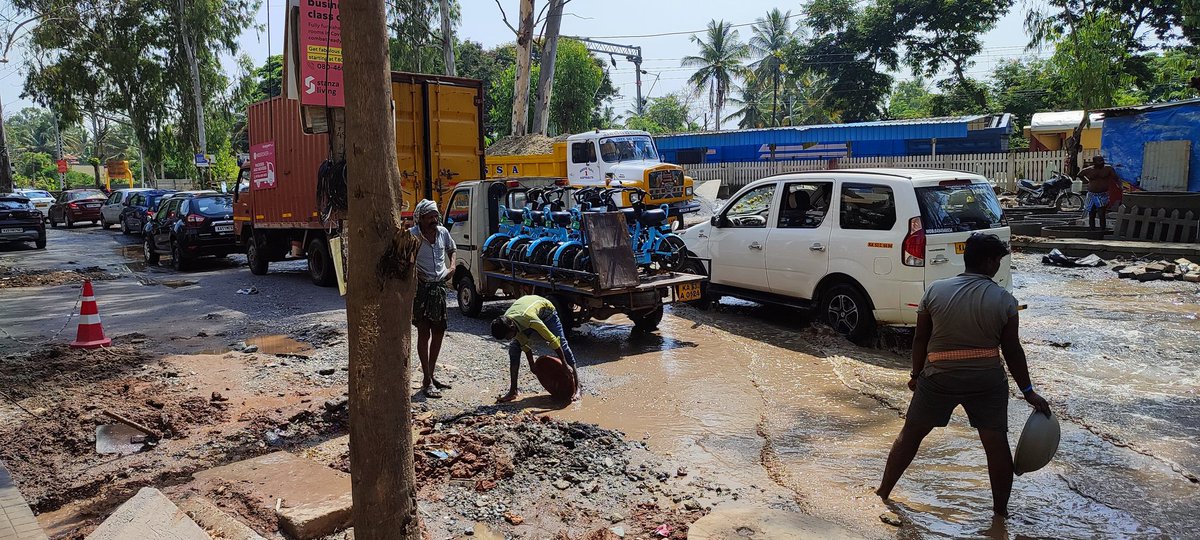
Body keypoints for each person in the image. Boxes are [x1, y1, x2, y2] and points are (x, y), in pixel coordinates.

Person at [876, 233, 1051, 518]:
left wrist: (916, 374)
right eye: (998, 260)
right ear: (990, 262)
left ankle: (883, 492)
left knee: (910, 436)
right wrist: (1028, 391)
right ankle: (1000, 514)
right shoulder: (1005, 301)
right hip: (986, 381)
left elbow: (920, 339)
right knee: (995, 445)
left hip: (938, 378)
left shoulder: (935, 291)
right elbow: (1012, 350)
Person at [490, 295, 581, 403]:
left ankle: (578, 387)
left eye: (507, 336)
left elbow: (552, 341)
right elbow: (525, 345)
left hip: (547, 313)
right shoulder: (507, 322)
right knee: (514, 348)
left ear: (512, 328)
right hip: (524, 313)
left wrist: (565, 365)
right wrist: (532, 365)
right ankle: (513, 391)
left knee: (562, 344)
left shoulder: (529, 319)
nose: (507, 339)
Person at [411, 199, 456, 398]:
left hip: (439, 288)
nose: (433, 220)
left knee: (438, 332)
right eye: (429, 217)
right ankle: (426, 380)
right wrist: (414, 273)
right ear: (420, 218)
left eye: (435, 216)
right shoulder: (412, 235)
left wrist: (452, 266)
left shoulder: (443, 233)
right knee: (423, 332)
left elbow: (451, 249)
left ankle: (431, 374)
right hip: (422, 290)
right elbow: (403, 258)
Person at [1078, 156, 1119, 230]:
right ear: (1094, 162)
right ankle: (1092, 229)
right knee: (1091, 212)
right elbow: (1079, 175)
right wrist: (1087, 181)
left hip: (1102, 194)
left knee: (1101, 213)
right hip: (1091, 194)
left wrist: (1120, 186)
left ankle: (1102, 229)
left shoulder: (1108, 169)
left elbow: (1116, 178)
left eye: (1102, 161)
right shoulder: (1088, 170)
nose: (1101, 162)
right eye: (1099, 161)